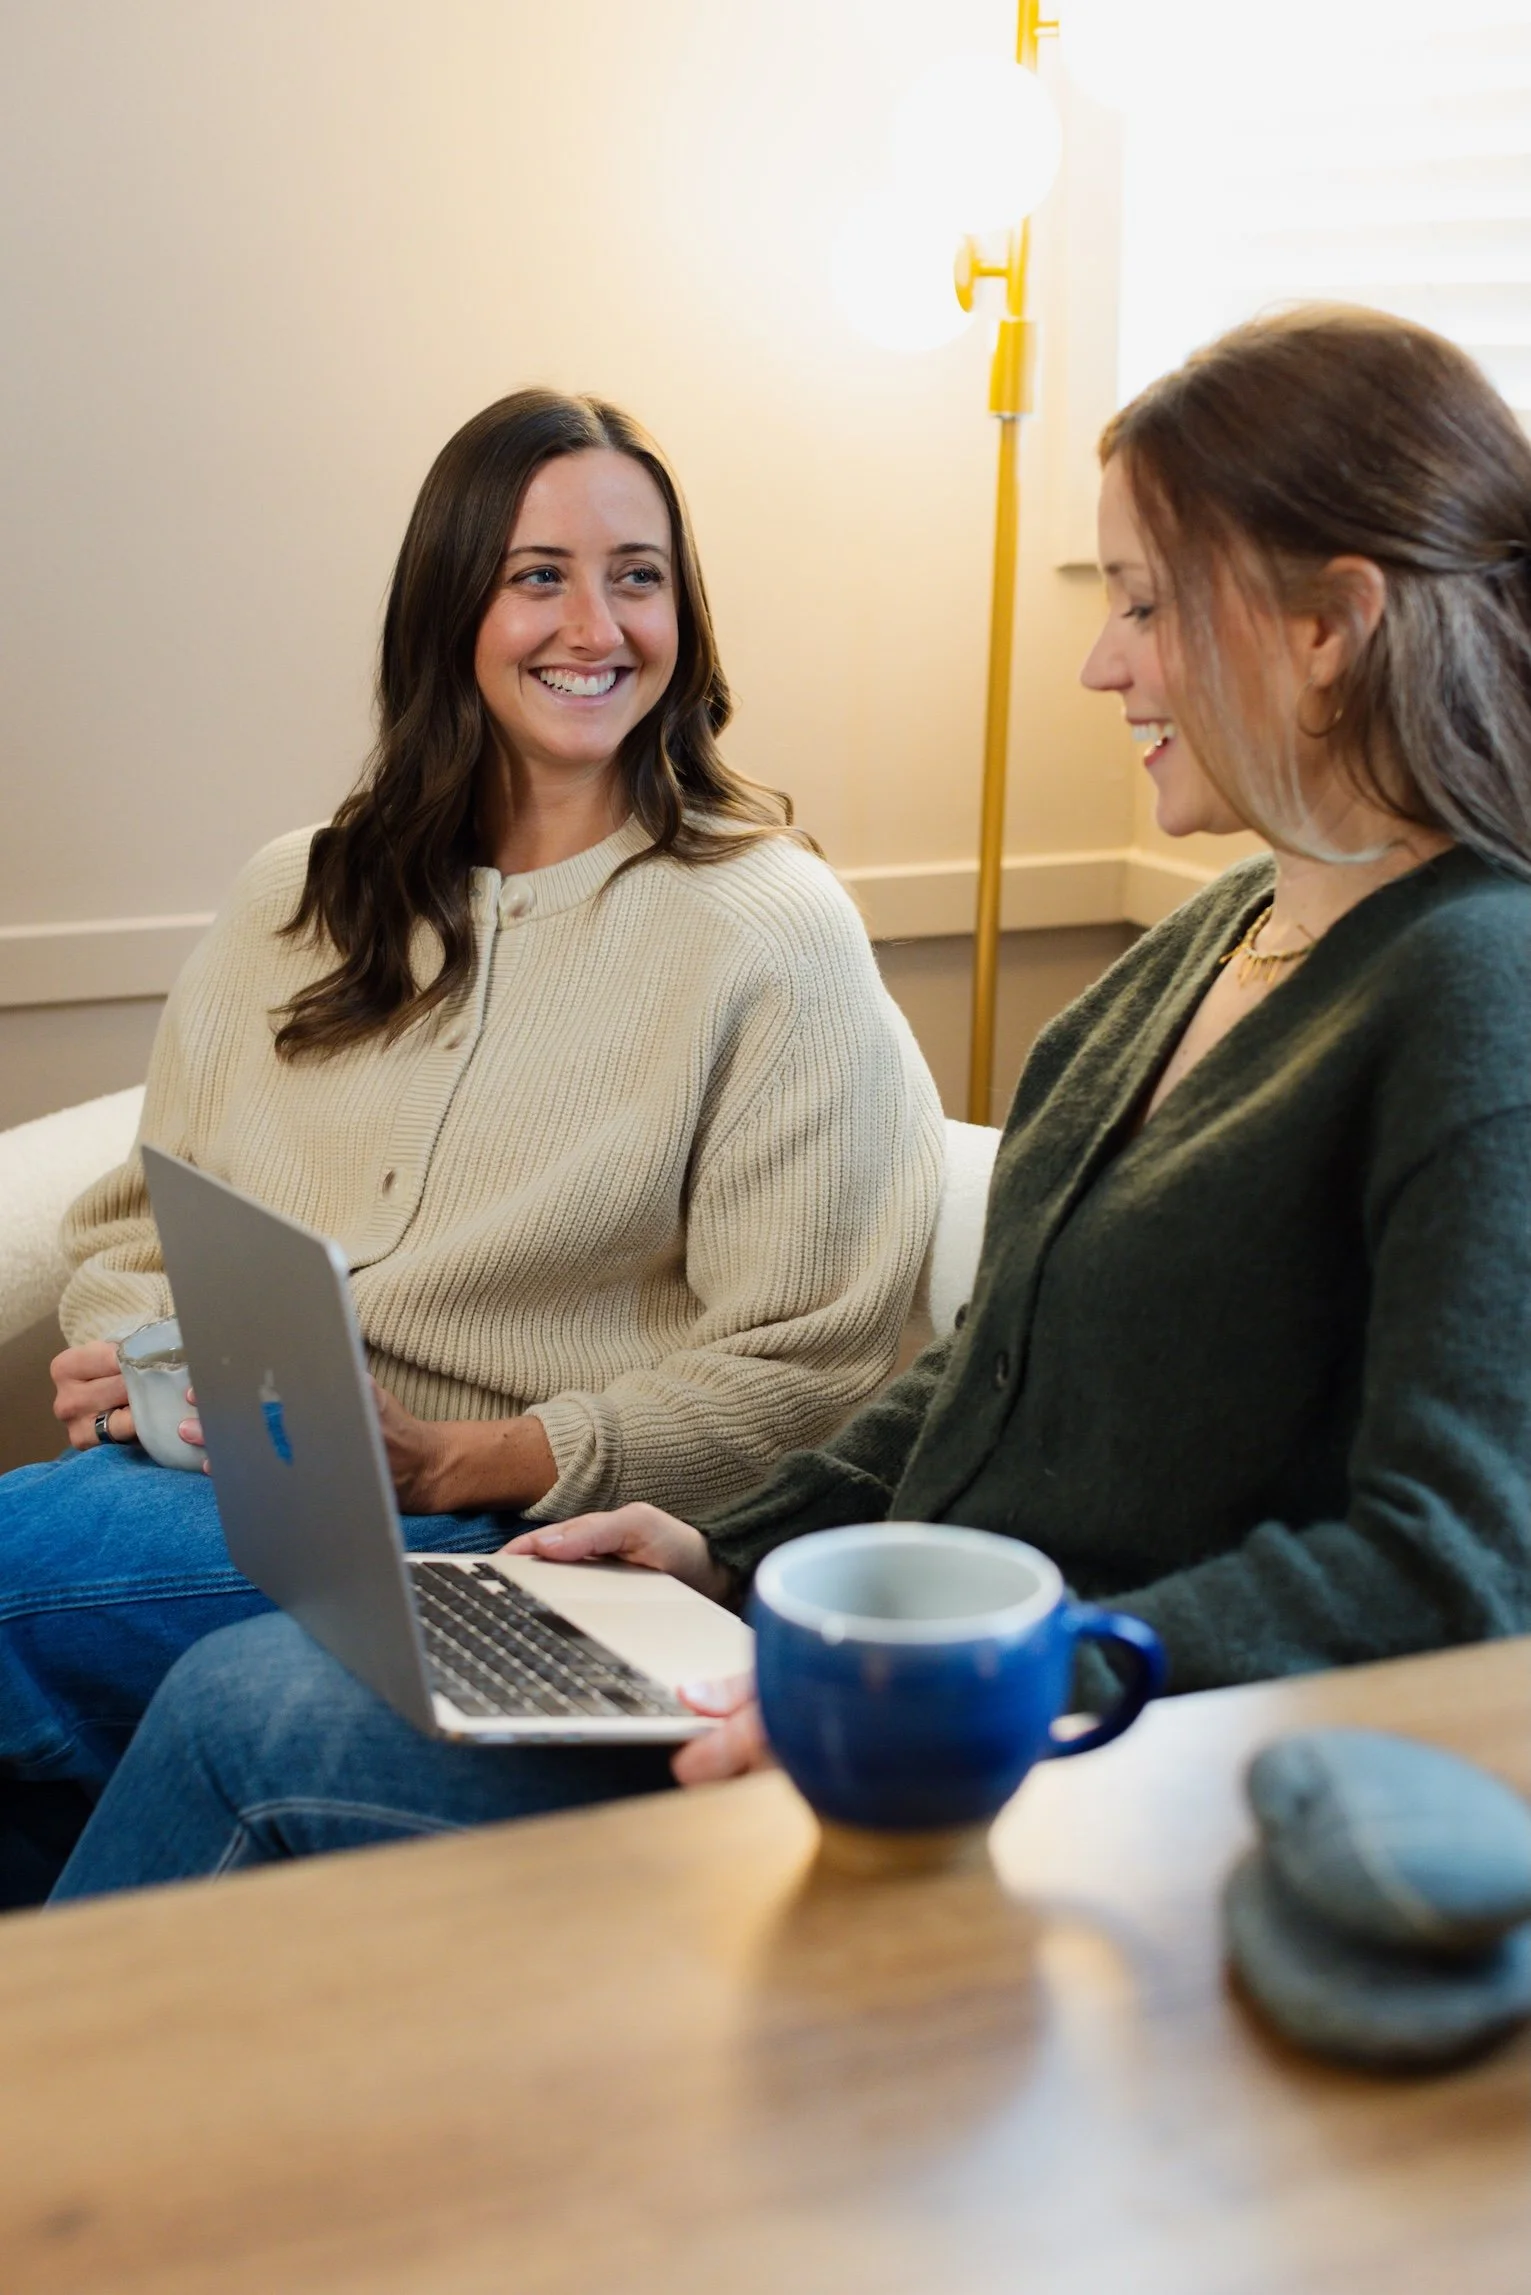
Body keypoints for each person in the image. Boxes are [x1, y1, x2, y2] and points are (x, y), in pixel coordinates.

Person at [51, 305, 1531, 1901]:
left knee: (242, 1712)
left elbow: (1456, 1566)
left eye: (1146, 601)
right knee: (200, 1702)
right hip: (811, 1655)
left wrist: (1008, 1671)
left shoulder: (1471, 989)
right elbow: (981, 1375)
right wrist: (718, 1547)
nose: (1100, 657)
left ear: (1329, 624)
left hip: (1000, 1747)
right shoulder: (1188, 957)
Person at [0, 388, 944, 1897]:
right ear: (452, 606)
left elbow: (809, 1367)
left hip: (504, 1529)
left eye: (637, 575)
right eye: (537, 575)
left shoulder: (768, 928)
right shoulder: (295, 890)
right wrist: (150, 1360)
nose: (597, 622)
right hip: (237, 1477)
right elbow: (132, 1222)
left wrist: (476, 1450)